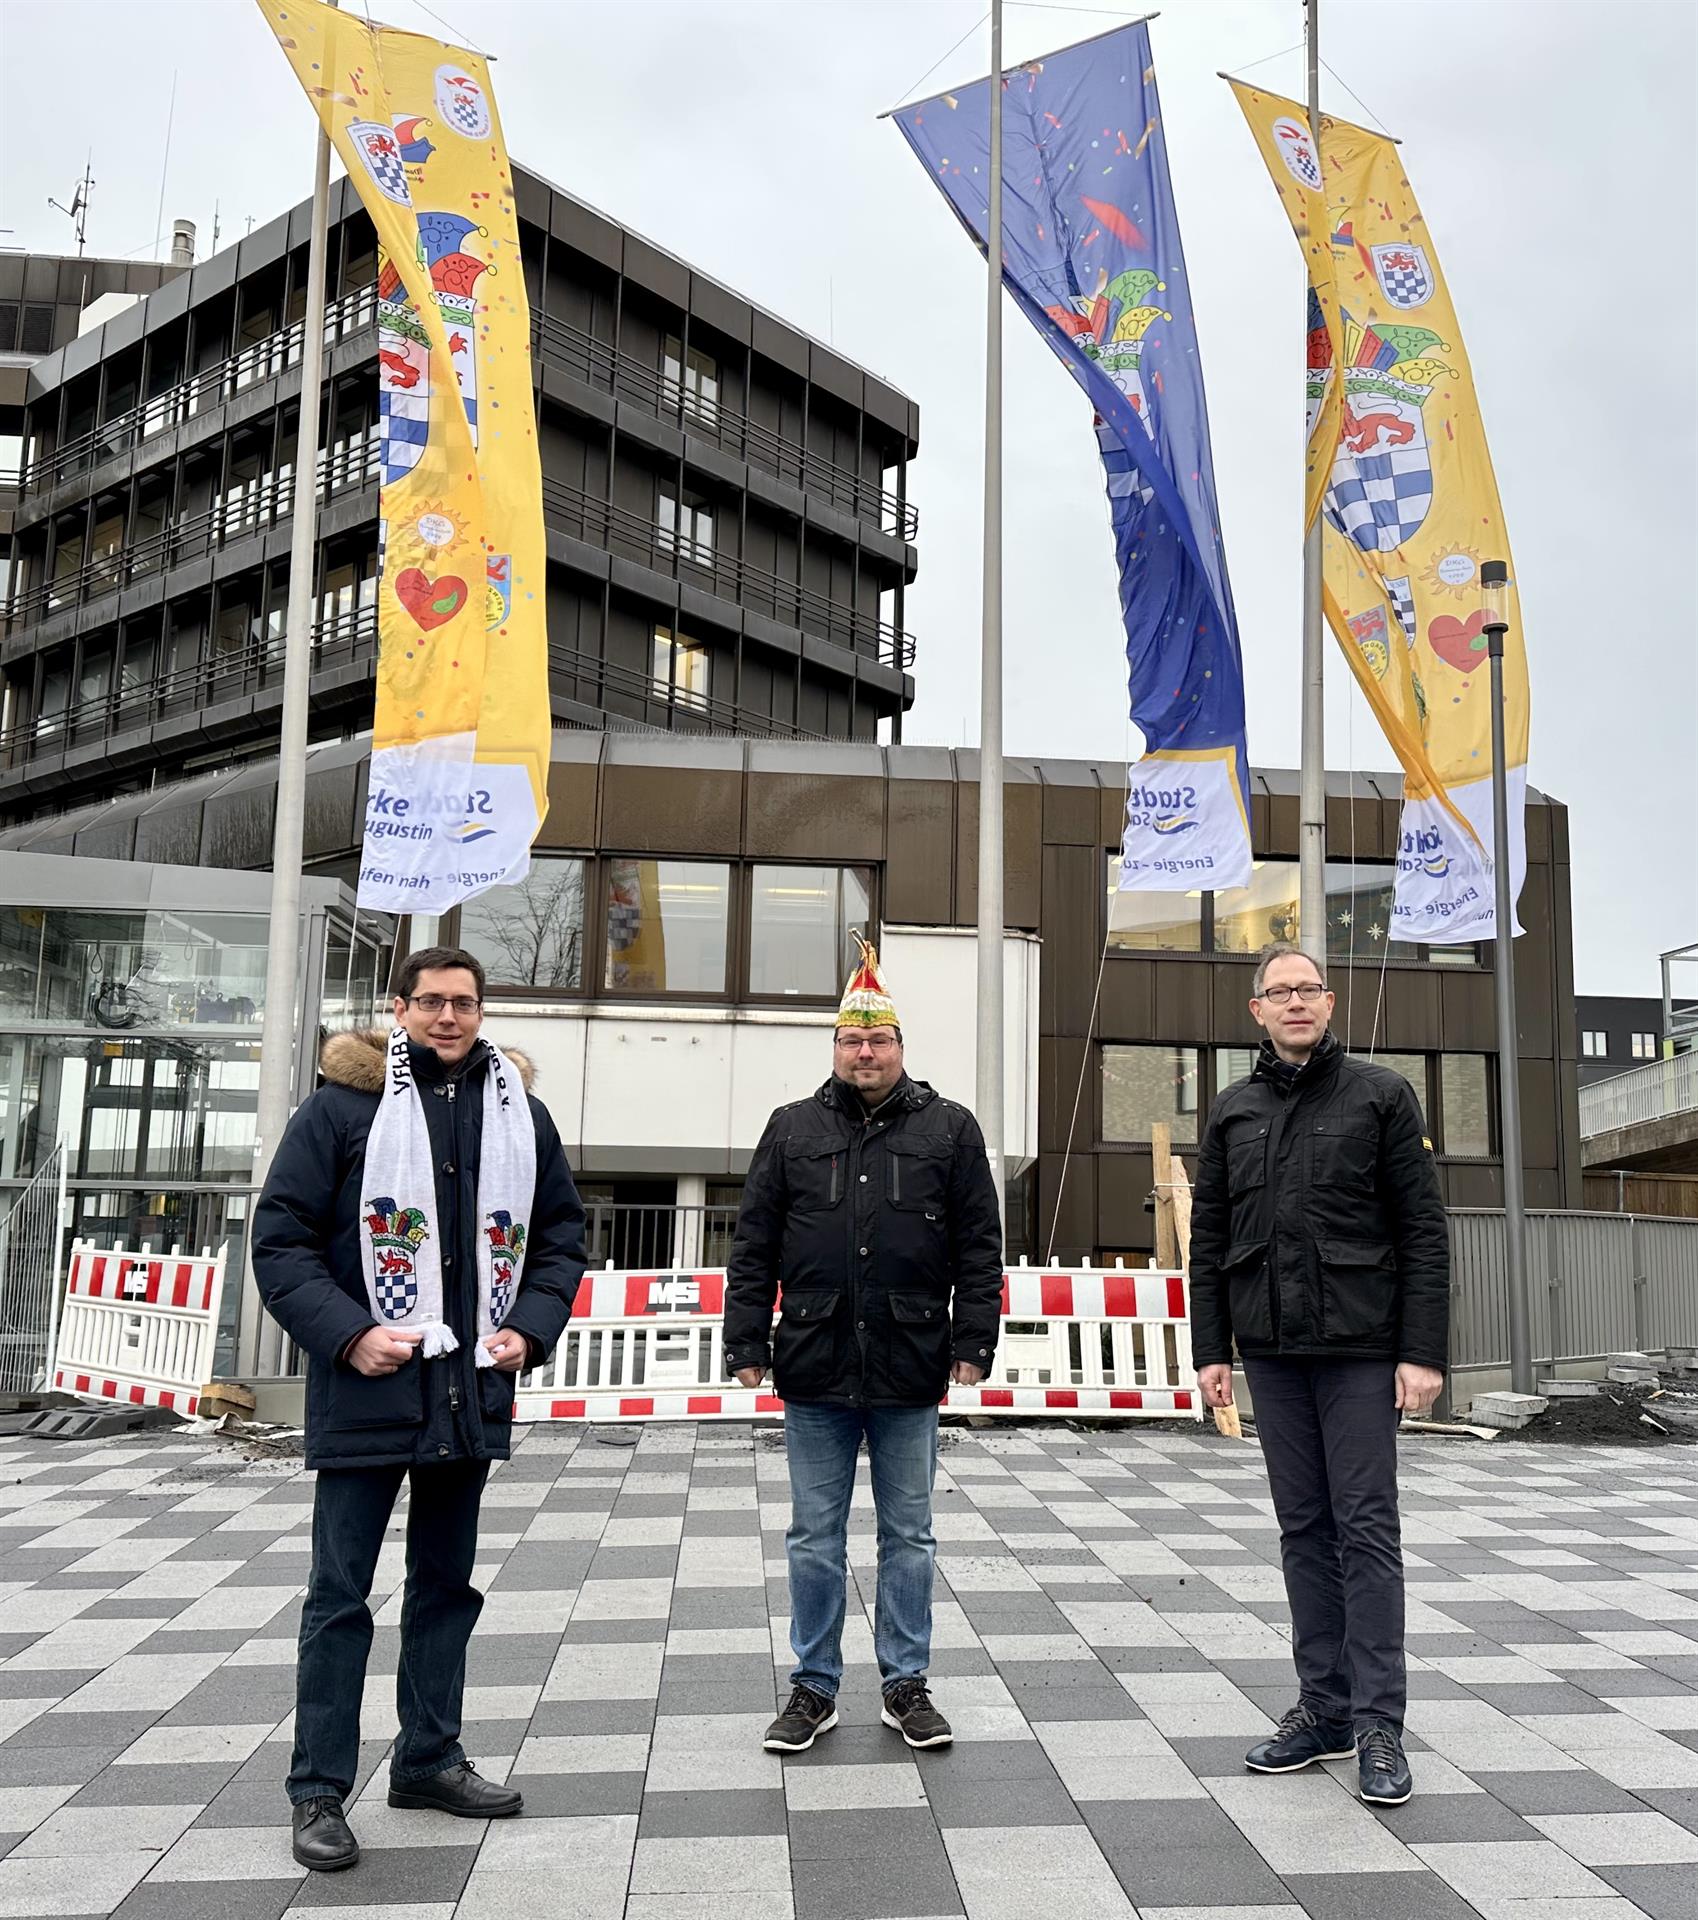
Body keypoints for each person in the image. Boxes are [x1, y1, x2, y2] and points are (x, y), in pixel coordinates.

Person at [254, 946, 587, 1872]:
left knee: (446, 1590)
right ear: (396, 1008)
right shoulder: (336, 1112)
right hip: (368, 1389)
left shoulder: (519, 1114)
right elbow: (280, 1242)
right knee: (339, 1600)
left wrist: (531, 1323)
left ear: (483, 1011)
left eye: (464, 1003)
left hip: (466, 1391)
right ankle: (318, 1791)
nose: (449, 1017)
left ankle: (428, 1759)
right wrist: (350, 1333)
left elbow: (561, 1234)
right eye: (431, 1002)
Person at [723, 938, 1003, 1754]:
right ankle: (813, 1687)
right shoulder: (791, 1128)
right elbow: (755, 1244)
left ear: (901, 1047)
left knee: (909, 1534)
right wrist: (746, 1338)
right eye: (852, 1041)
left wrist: (973, 1341)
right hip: (811, 1363)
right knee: (814, 1534)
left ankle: (905, 1683)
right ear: (836, 1048)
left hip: (911, 1363)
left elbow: (979, 1247)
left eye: (879, 1041)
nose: (866, 1053)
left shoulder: (950, 1130)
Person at [1189, 940, 1448, 1808]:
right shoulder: (1232, 1110)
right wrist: (1211, 1349)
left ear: (1330, 1004)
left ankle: (1380, 1725)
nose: (1296, 1002)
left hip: (1362, 1348)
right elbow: (1211, 1242)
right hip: (1271, 1349)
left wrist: (1423, 1351)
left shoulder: (1381, 1096)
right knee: (1304, 1531)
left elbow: (1422, 1233)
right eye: (1279, 991)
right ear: (1256, 1011)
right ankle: (1324, 1711)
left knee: (1366, 1532)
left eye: (1310, 989)